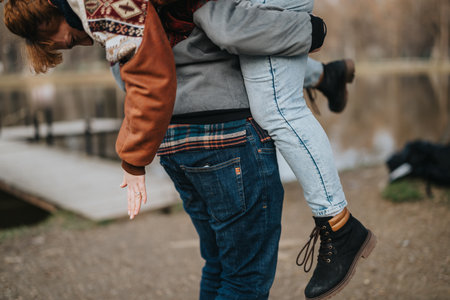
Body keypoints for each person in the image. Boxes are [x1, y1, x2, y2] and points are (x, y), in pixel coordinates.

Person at [2, 0, 374, 299]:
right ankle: (339, 221)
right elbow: (232, 32)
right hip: (224, 136)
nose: (62, 42)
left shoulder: (112, 18)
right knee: (243, 280)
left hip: (174, 143)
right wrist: (311, 30)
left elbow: (143, 80)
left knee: (218, 266)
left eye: (53, 33)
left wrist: (136, 155)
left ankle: (327, 76)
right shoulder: (113, 16)